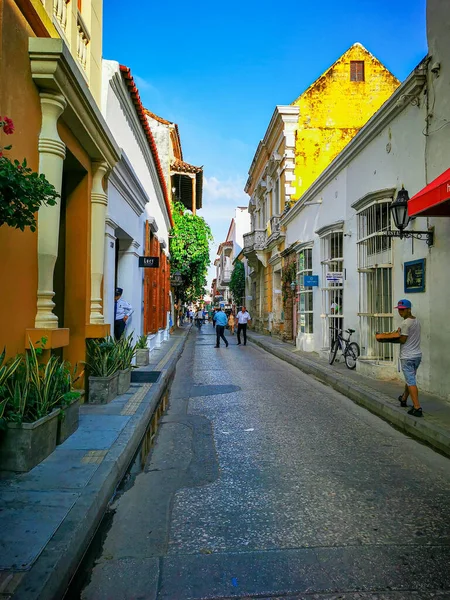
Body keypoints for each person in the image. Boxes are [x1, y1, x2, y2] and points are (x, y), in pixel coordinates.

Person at [383, 299, 423, 417]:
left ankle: (417, 407)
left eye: (402, 310)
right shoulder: (416, 321)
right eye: (399, 310)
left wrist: (389, 339)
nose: (400, 312)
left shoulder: (405, 323)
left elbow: (403, 339)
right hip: (417, 355)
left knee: (411, 381)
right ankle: (404, 399)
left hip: (407, 356)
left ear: (409, 309)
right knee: (410, 379)